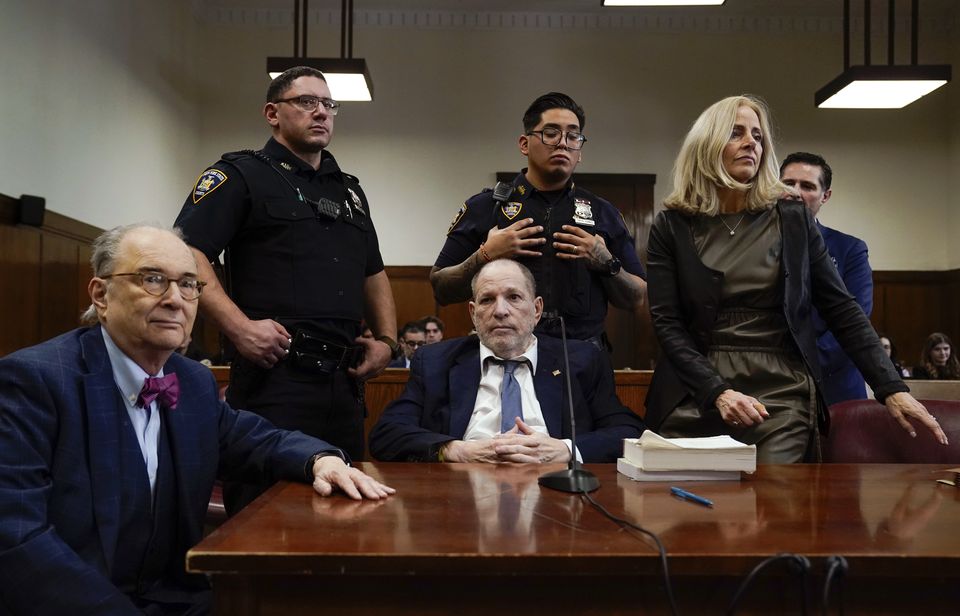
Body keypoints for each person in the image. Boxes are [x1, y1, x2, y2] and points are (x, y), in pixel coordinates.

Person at [0, 224, 393, 615]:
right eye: (153, 279)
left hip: (180, 601)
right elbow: (17, 537)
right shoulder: (34, 380)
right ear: (101, 295)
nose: (176, 300)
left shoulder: (193, 381)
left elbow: (257, 440)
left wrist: (319, 459)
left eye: (189, 284)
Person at [644, 95, 946, 463]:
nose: (751, 143)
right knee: (682, 507)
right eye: (736, 133)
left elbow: (842, 309)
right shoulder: (671, 225)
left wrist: (891, 387)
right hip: (696, 388)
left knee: (776, 503)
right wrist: (717, 392)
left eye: (757, 136)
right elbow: (667, 323)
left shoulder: (791, 218)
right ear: (707, 145)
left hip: (780, 386)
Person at [174, 66, 397, 512]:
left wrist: (388, 341)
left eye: (329, 105)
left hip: (343, 382)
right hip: (275, 378)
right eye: (307, 102)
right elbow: (189, 251)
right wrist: (239, 328)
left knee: (349, 510)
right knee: (264, 514)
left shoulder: (350, 191)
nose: (322, 113)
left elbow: (373, 271)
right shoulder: (239, 175)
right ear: (272, 113)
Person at [369, 259, 645, 463]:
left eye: (513, 297)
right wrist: (456, 450)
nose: (500, 311)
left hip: (556, 494)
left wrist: (566, 449)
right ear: (473, 313)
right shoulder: (435, 362)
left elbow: (628, 432)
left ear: (536, 310)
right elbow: (387, 433)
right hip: (462, 496)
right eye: (488, 300)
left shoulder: (580, 360)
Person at [430, 92, 647, 348]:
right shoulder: (485, 207)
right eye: (551, 133)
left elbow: (635, 299)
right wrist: (485, 255)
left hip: (582, 359)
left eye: (573, 136)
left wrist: (608, 263)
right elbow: (440, 288)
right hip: (507, 355)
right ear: (524, 144)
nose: (563, 143)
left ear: (580, 151)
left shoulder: (603, 213)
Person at [780, 152, 872, 405]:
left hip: (835, 387)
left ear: (825, 196)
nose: (796, 192)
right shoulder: (754, 244)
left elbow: (855, 317)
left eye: (808, 186)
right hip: (771, 385)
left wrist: (798, 366)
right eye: (788, 183)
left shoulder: (849, 249)